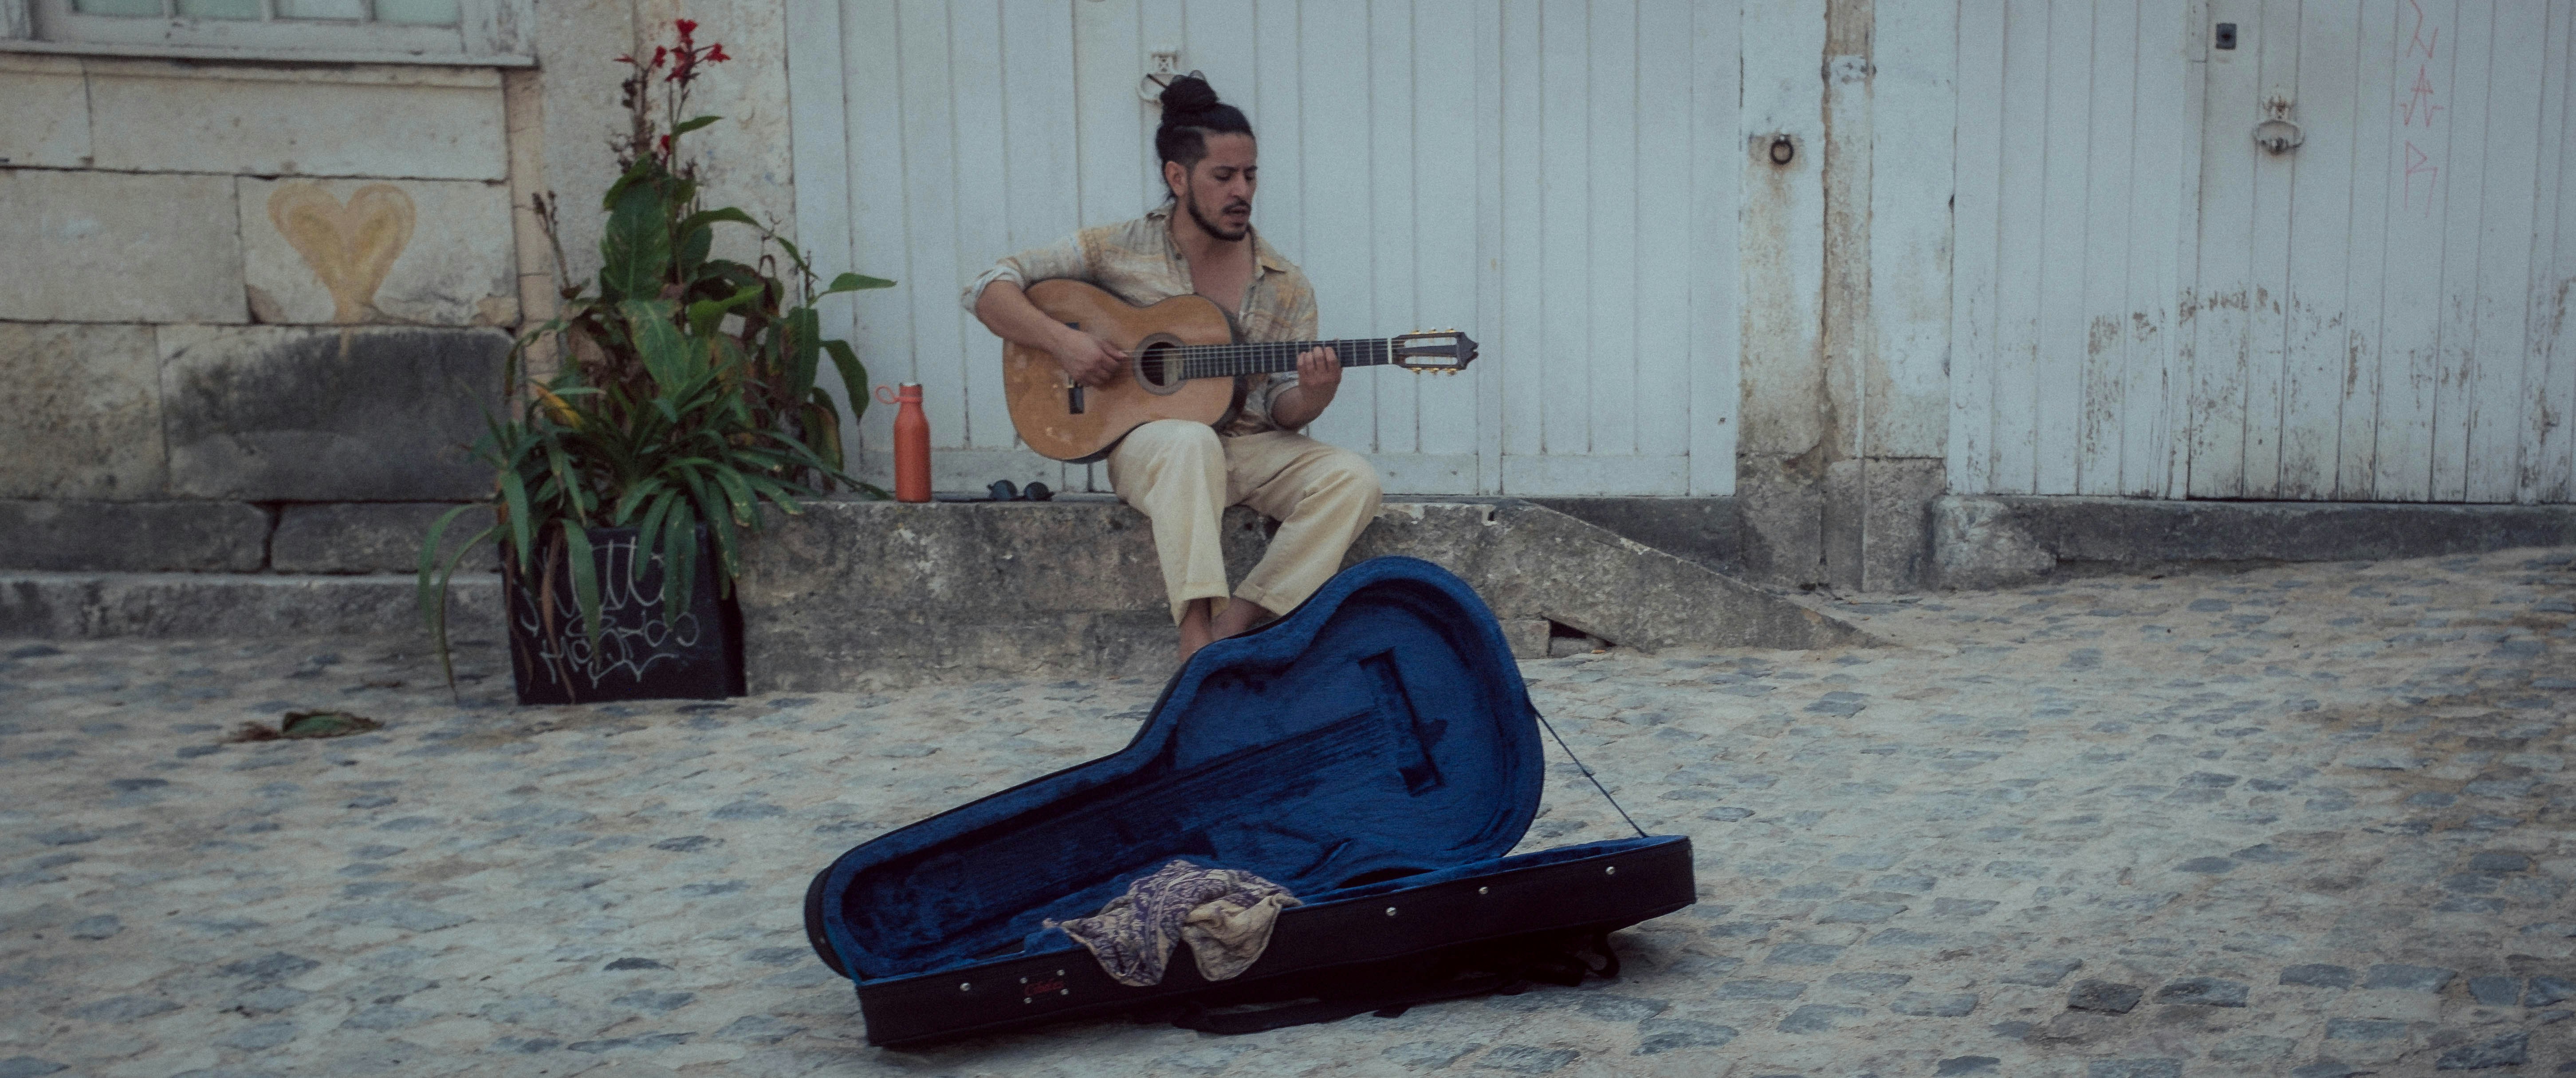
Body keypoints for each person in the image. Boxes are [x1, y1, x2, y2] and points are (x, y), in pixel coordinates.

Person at [964, 74, 1382, 665]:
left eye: (1251, 175)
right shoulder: (1115, 249)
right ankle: (1193, 638)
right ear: (1177, 177)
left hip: (1246, 450)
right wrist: (1063, 342)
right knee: (1189, 440)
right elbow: (987, 288)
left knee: (1354, 479)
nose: (1242, 191)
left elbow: (1280, 408)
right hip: (1156, 451)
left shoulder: (1285, 285)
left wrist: (1315, 395)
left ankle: (1236, 626)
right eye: (1224, 176)